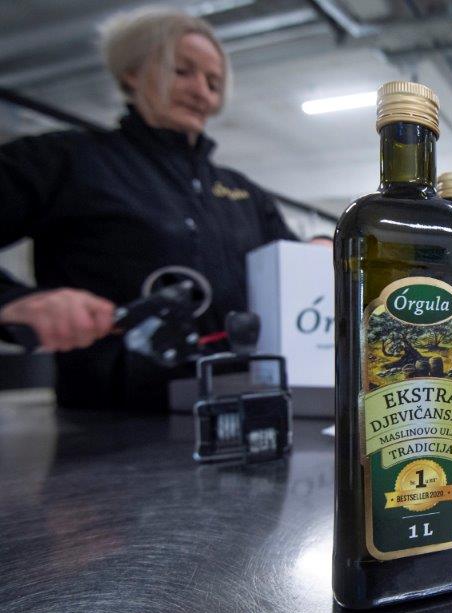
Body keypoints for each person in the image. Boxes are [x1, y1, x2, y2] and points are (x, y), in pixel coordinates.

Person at [0, 7, 308, 410]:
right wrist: (12, 302)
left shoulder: (243, 192)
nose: (202, 93)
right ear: (132, 72)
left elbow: (298, 274)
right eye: (182, 72)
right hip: (111, 424)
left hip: (242, 407)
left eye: (213, 82)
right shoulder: (66, 162)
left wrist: (321, 248)